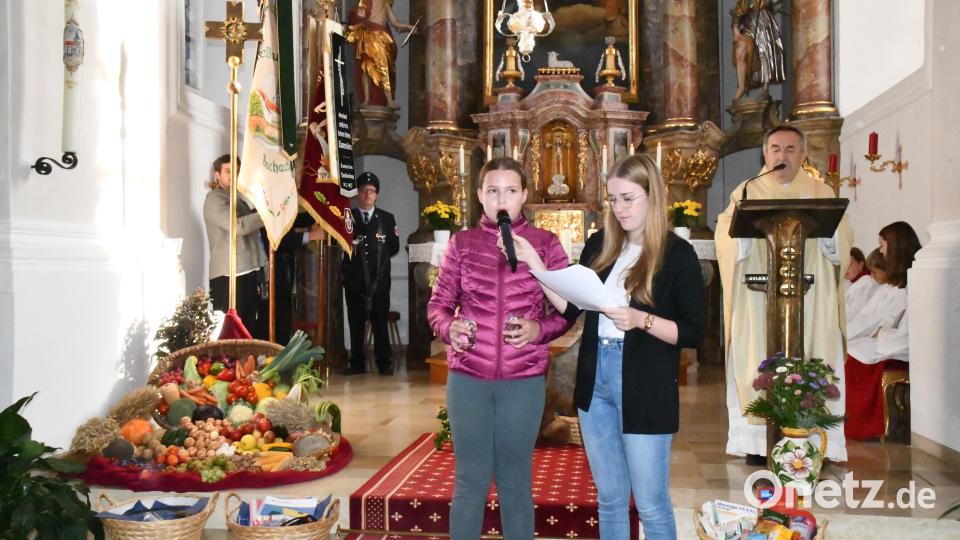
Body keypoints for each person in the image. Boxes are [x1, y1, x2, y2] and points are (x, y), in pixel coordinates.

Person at [514, 154, 706, 540]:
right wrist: (537, 266)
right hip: (595, 379)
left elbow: (693, 332)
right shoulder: (601, 244)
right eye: (613, 199)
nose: (619, 208)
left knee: (650, 503)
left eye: (628, 198)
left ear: (653, 196)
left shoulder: (676, 254)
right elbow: (570, 308)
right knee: (610, 499)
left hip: (644, 382)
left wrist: (642, 320)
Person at [427, 157, 573, 539]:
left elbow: (568, 311)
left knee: (514, 482)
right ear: (479, 196)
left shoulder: (545, 244)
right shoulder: (462, 244)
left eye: (510, 190)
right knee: (470, 481)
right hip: (468, 378)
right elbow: (437, 306)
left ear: (525, 195)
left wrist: (537, 329)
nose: (501, 199)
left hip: (522, 381)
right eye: (493, 191)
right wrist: (449, 327)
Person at [715, 125, 853, 464]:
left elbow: (844, 240)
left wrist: (828, 241)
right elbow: (725, 235)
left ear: (803, 155)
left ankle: (815, 440)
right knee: (756, 359)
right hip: (759, 298)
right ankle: (761, 444)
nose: (782, 155)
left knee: (816, 358)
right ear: (766, 154)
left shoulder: (822, 193)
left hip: (812, 297)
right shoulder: (746, 192)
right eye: (776, 148)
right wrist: (742, 241)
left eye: (791, 149)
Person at [844, 222, 921, 440]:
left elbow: (908, 326)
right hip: (886, 340)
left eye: (882, 245)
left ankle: (863, 425)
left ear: (895, 248)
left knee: (853, 358)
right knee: (850, 351)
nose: (880, 251)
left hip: (897, 346)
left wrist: (883, 335)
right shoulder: (897, 285)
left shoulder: (914, 282)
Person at [342, 172, 400, 375]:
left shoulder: (386, 218)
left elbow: (394, 247)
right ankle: (357, 363)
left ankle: (384, 363)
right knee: (355, 322)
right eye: (363, 190)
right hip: (354, 281)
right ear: (357, 193)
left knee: (380, 322)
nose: (367, 194)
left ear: (377, 194)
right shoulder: (348, 217)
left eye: (372, 191)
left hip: (379, 282)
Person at [203, 154, 266, 338]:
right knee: (231, 335)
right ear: (217, 175)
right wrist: (267, 212)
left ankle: (246, 367)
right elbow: (239, 226)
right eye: (228, 171)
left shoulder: (238, 198)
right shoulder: (214, 199)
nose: (233, 175)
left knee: (248, 331)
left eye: (237, 172)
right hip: (228, 275)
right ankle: (231, 367)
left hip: (247, 272)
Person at [345, 0, 416, 108]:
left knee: (384, 67)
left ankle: (389, 100)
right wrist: (360, 15)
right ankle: (367, 99)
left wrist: (409, 27)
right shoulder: (365, 1)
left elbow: (395, 23)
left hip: (381, 36)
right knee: (366, 67)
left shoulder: (385, 3)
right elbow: (358, 16)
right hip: (369, 36)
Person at [844, 248, 882, 323]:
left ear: (861, 264)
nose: (845, 268)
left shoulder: (866, 283)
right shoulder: (855, 283)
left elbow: (853, 315)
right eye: (843, 265)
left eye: (849, 264)